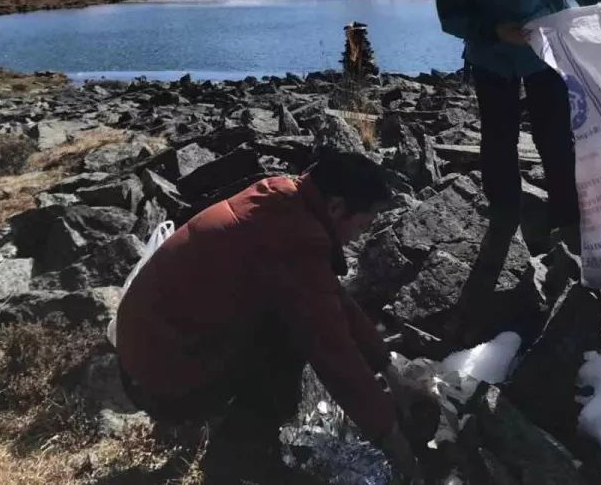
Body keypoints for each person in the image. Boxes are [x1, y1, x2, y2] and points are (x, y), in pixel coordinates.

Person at [115, 151, 423, 485]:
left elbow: (331, 297)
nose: (361, 235)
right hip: (160, 378)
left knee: (292, 319)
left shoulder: (282, 196)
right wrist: (389, 434)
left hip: (143, 349)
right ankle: (239, 460)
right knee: (289, 338)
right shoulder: (293, 241)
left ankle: (235, 440)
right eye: (363, 223)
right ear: (335, 208)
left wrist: (388, 369)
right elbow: (334, 353)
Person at [429, 0, 601, 343]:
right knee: (497, 138)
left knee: (556, 136)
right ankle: (503, 216)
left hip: (545, 54)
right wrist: (494, 32)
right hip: (493, 56)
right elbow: (450, 12)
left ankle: (567, 223)